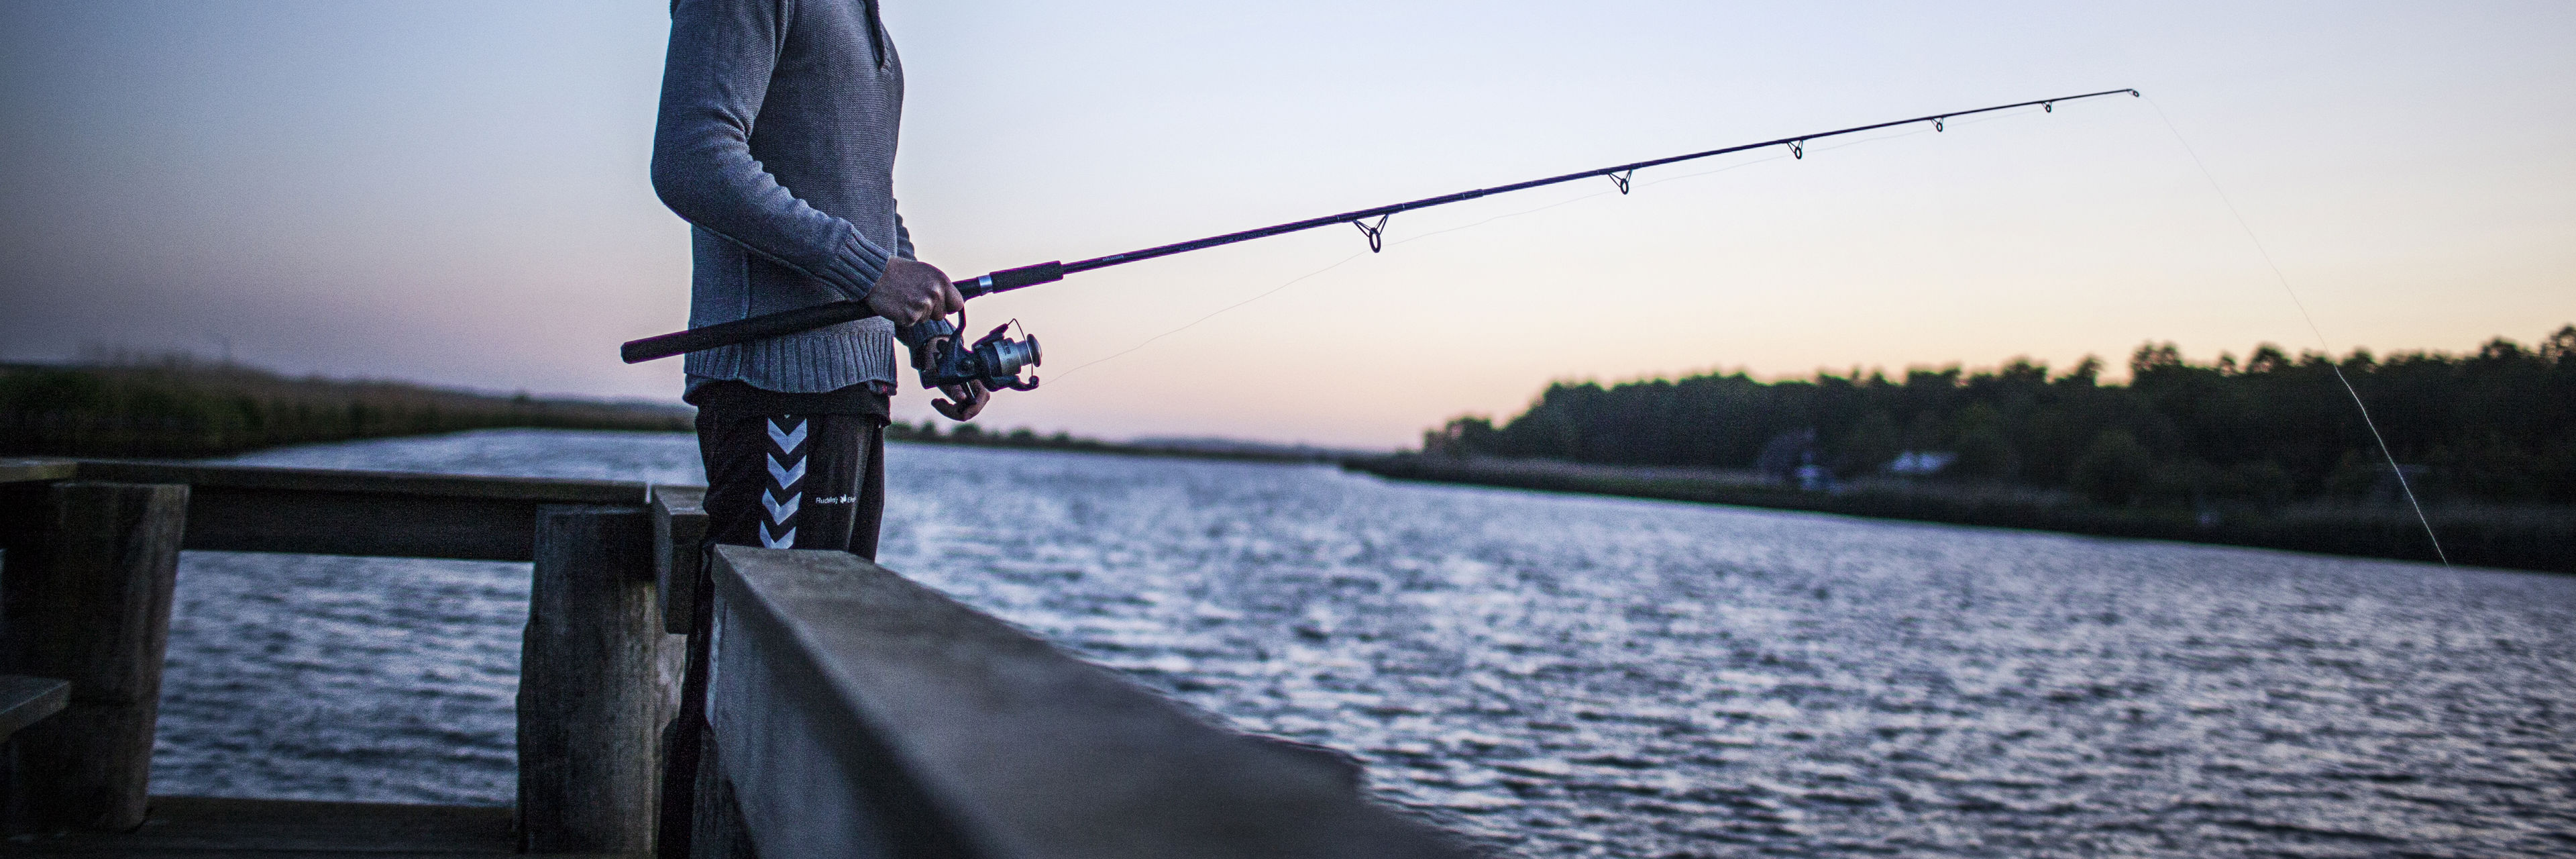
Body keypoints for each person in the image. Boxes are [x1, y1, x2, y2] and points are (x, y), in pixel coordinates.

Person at [651, 0, 985, 560]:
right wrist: (871, 272)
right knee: (761, 638)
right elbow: (692, 158)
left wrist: (929, 333)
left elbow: (865, 195)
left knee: (831, 622)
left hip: (855, 394)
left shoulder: (863, 16)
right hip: (775, 391)